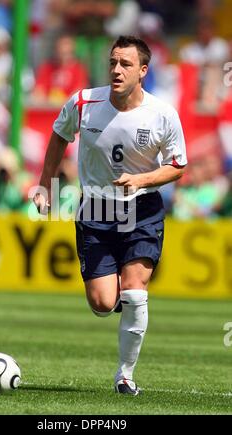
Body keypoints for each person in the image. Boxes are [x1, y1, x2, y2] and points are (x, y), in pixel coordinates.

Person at [33, 35, 187, 394]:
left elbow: (178, 166)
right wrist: (45, 186)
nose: (117, 70)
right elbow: (59, 136)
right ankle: (121, 301)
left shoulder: (163, 114)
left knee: (135, 292)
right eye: (113, 62)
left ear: (143, 71)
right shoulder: (85, 101)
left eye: (126, 64)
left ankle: (125, 375)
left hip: (142, 207)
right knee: (103, 303)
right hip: (96, 208)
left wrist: (143, 178)